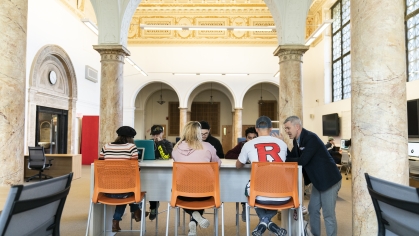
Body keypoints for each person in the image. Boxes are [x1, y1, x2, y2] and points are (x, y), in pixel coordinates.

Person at [282, 116, 342, 236]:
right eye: (285, 129)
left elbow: (302, 161)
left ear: (297, 126)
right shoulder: (297, 140)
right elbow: (291, 157)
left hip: (330, 180)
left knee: (328, 214)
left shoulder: (311, 138)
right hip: (318, 181)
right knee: (313, 210)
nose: (287, 131)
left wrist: (287, 160)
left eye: (288, 128)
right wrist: (282, 144)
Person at [236, 116, 288, 236]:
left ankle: (264, 222)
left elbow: (238, 166)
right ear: (271, 129)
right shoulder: (282, 144)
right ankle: (268, 223)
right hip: (283, 194)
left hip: (258, 194)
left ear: (256, 129)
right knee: (273, 197)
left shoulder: (249, 144)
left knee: (250, 190)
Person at [172, 121, 221, 236]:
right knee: (199, 194)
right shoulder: (208, 146)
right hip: (206, 192)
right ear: (199, 133)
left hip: (183, 192)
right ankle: (195, 218)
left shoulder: (176, 148)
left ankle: (194, 217)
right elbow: (217, 164)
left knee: (180, 194)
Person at [99, 126, 144, 232]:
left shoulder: (106, 146)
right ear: (131, 138)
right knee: (129, 190)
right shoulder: (131, 147)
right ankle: (136, 210)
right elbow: (135, 169)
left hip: (106, 188)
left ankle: (119, 220)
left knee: (123, 190)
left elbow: (100, 165)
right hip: (123, 191)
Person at [225, 126, 258, 222]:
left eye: (254, 137)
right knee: (242, 183)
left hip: (257, 175)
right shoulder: (242, 145)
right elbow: (228, 154)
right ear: (246, 138)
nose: (251, 140)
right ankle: (244, 205)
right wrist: (243, 157)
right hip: (244, 173)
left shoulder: (260, 145)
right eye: (249, 137)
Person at [148, 125, 173, 220]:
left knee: (155, 186)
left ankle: (154, 206)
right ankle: (153, 207)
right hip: (151, 170)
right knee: (149, 185)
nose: (155, 137)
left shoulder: (167, 143)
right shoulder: (149, 143)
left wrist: (160, 143)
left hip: (164, 171)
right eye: (153, 135)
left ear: (162, 133)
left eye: (158, 134)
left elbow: (166, 156)